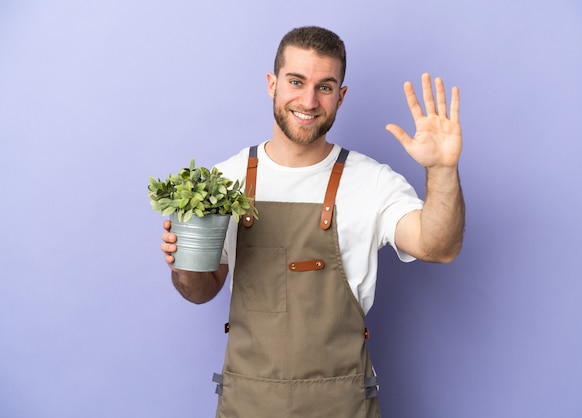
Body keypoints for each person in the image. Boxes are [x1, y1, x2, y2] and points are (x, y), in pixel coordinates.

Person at [160, 26, 464, 418]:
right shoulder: (224, 182)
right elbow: (200, 291)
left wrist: (442, 169)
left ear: (341, 95)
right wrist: (183, 264)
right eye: (296, 81)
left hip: (343, 404)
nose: (308, 100)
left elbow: (437, 247)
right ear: (272, 84)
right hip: (248, 403)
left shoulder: (370, 180)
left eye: (325, 86)